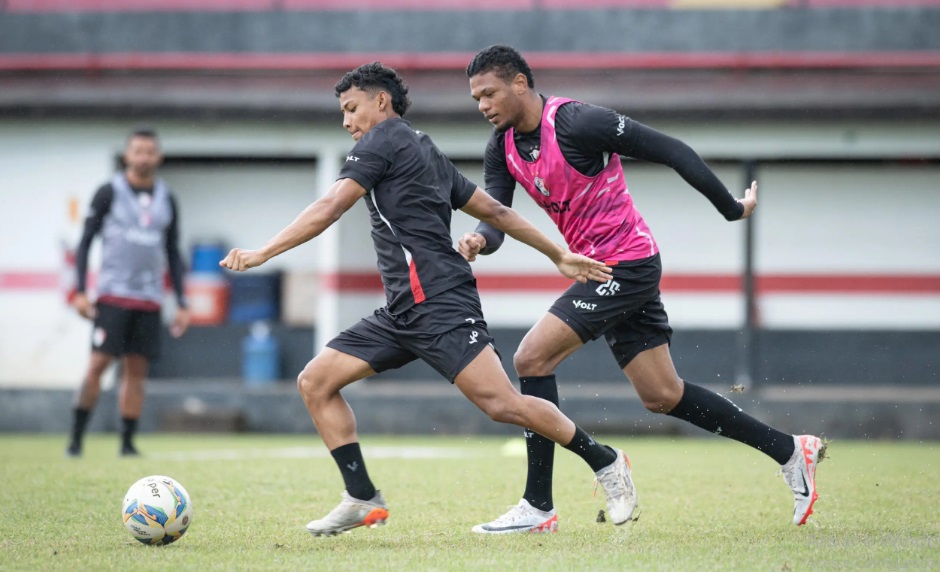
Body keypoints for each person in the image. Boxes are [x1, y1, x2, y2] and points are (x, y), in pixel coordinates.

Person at [220, 62, 639, 537]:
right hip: (402, 310)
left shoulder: (384, 140)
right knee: (316, 381)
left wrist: (262, 252)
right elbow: (495, 210)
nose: (346, 121)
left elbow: (329, 206)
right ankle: (361, 497)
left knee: (503, 404)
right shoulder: (421, 147)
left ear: (382, 102)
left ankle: (607, 462)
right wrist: (557, 254)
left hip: (441, 303)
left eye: (351, 108)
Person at [461, 45, 826, 533]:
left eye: (489, 93)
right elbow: (499, 220)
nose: (482, 105)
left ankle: (539, 504)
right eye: (476, 98)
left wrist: (731, 208)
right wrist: (478, 241)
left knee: (531, 359)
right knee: (662, 395)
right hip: (601, 271)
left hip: (626, 265)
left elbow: (671, 149)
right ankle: (790, 450)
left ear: (520, 83)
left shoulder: (576, 122)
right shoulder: (500, 148)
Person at [67, 127, 190, 458]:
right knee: (97, 365)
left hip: (149, 300)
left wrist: (181, 301)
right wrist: (79, 290)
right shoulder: (108, 191)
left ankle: (127, 443)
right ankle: (76, 440)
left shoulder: (167, 198)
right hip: (112, 296)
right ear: (127, 155)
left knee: (137, 372)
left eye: (150, 151)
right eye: (138, 151)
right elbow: (85, 242)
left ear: (158, 156)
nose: (144, 157)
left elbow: (173, 252)